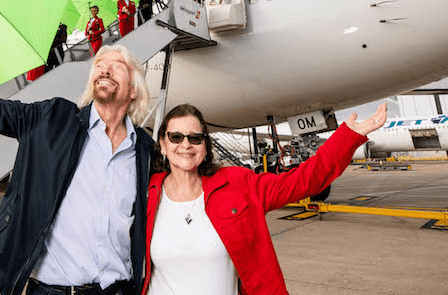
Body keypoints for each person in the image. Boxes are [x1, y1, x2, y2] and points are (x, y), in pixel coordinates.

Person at [0, 7, 154, 295]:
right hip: (53, 290)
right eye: (99, 64)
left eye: (118, 66)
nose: (105, 68)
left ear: (134, 89)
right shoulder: (53, 120)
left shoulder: (145, 152)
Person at [141, 102, 388, 295]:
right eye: (176, 137)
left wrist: (347, 139)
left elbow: (303, 182)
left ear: (205, 148)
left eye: (195, 138)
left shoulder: (238, 184)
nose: (186, 144)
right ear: (162, 144)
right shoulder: (147, 194)